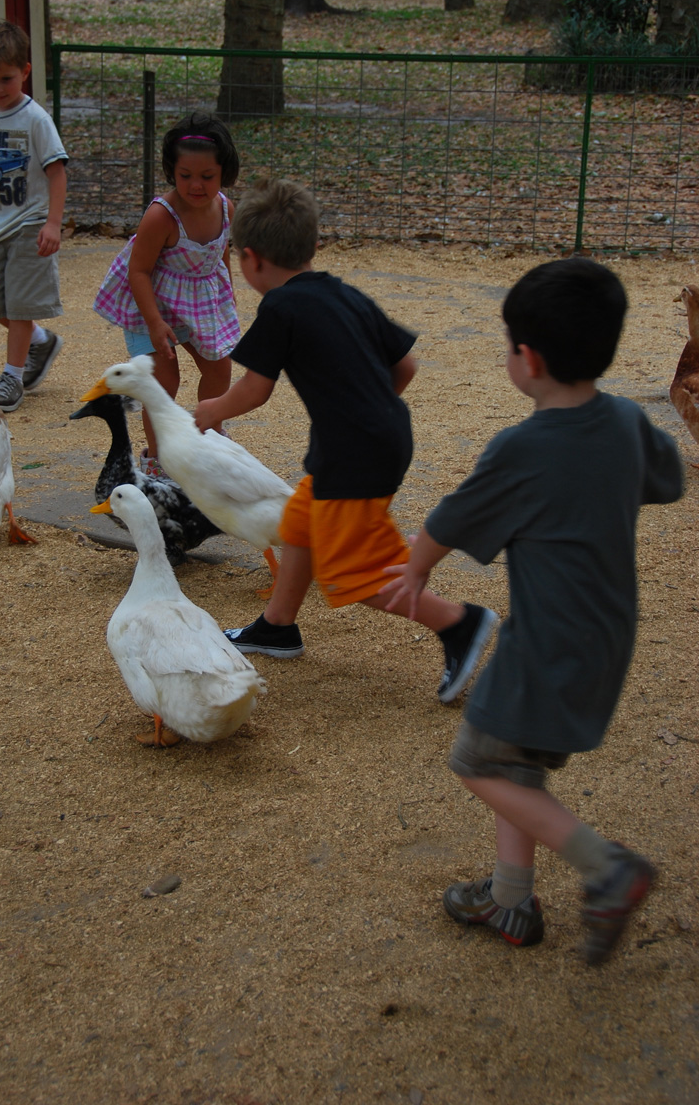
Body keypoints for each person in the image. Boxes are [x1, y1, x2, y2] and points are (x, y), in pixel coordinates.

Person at [383, 258, 683, 964]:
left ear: (530, 359)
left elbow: (457, 514)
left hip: (546, 644)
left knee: (478, 763)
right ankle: (510, 902)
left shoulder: (523, 447)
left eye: (508, 344)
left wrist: (417, 567)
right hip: (605, 633)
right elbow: (664, 477)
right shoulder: (625, 422)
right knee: (513, 761)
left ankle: (606, 867)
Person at [193, 177, 497, 701]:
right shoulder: (346, 294)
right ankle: (278, 626)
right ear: (313, 246)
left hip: (354, 451)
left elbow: (254, 389)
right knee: (301, 521)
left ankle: (458, 622)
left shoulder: (281, 308)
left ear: (250, 259)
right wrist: (369, 409)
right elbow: (405, 365)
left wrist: (211, 411)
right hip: (380, 435)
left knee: (350, 571)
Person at [93, 111, 240, 478]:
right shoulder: (162, 216)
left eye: (207, 176)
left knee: (220, 367)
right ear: (171, 172)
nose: (196, 185)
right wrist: (155, 323)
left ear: (224, 173)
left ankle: (209, 435)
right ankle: (157, 461)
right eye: (185, 176)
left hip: (199, 303)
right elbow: (138, 270)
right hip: (153, 304)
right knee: (164, 382)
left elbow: (221, 255)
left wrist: (229, 296)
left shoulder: (224, 209)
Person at [0, 20, 68, 412]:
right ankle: (40, 341)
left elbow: (57, 172)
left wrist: (52, 223)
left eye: (6, 78)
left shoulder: (35, 119)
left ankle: (11, 377)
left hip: (29, 226)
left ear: (25, 71)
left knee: (19, 303)